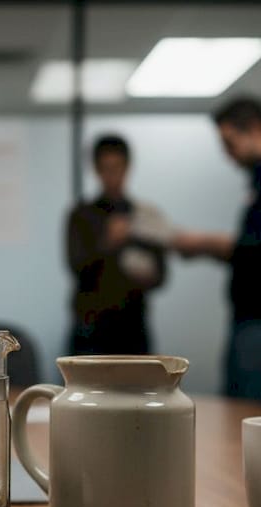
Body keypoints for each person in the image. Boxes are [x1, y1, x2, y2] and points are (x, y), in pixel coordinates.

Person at [171, 95, 261, 406]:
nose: (227, 154)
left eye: (229, 142)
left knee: (252, 415)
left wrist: (206, 243)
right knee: (240, 411)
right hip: (256, 320)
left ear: (256, 129)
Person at [65, 134, 170, 356]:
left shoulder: (144, 216)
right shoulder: (82, 216)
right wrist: (108, 243)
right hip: (91, 326)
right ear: (96, 169)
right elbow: (76, 266)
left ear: (128, 168)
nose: (112, 176)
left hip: (132, 325)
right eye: (106, 168)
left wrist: (147, 275)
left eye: (117, 168)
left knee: (138, 390)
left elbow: (161, 275)